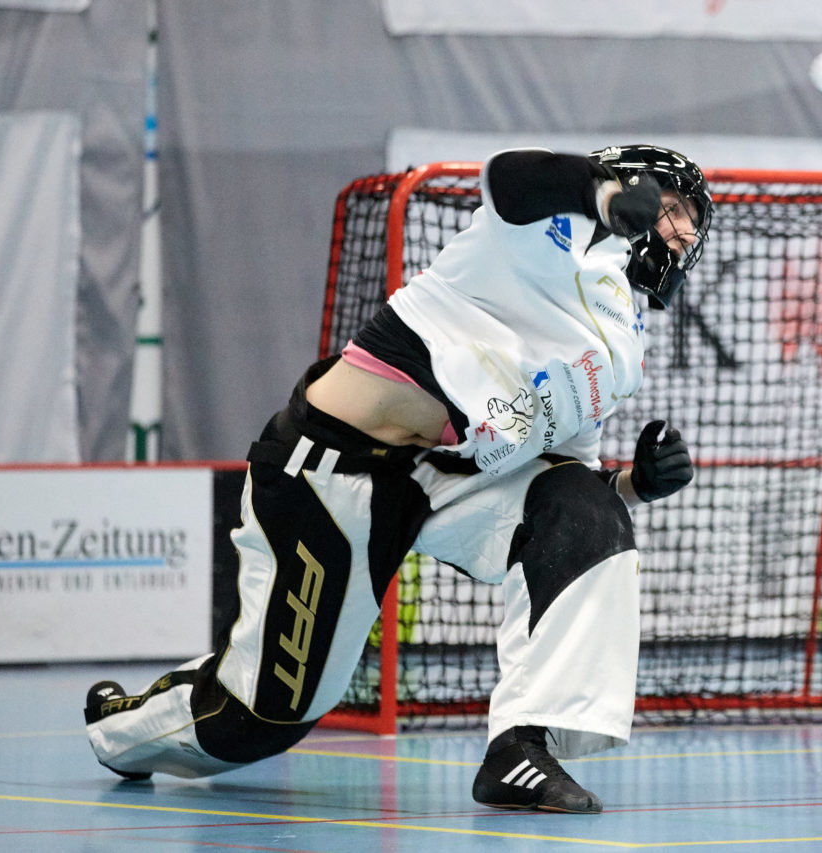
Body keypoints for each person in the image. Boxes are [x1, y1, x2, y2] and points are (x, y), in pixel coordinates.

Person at [83, 144, 714, 814]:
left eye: (692, 223)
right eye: (673, 207)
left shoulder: (622, 350)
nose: (681, 230)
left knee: (590, 511)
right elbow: (509, 175)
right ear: (628, 187)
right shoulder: (548, 226)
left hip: (441, 483)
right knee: (259, 720)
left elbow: (566, 472)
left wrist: (634, 486)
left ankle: (522, 745)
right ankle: (116, 727)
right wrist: (603, 197)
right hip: (332, 468)